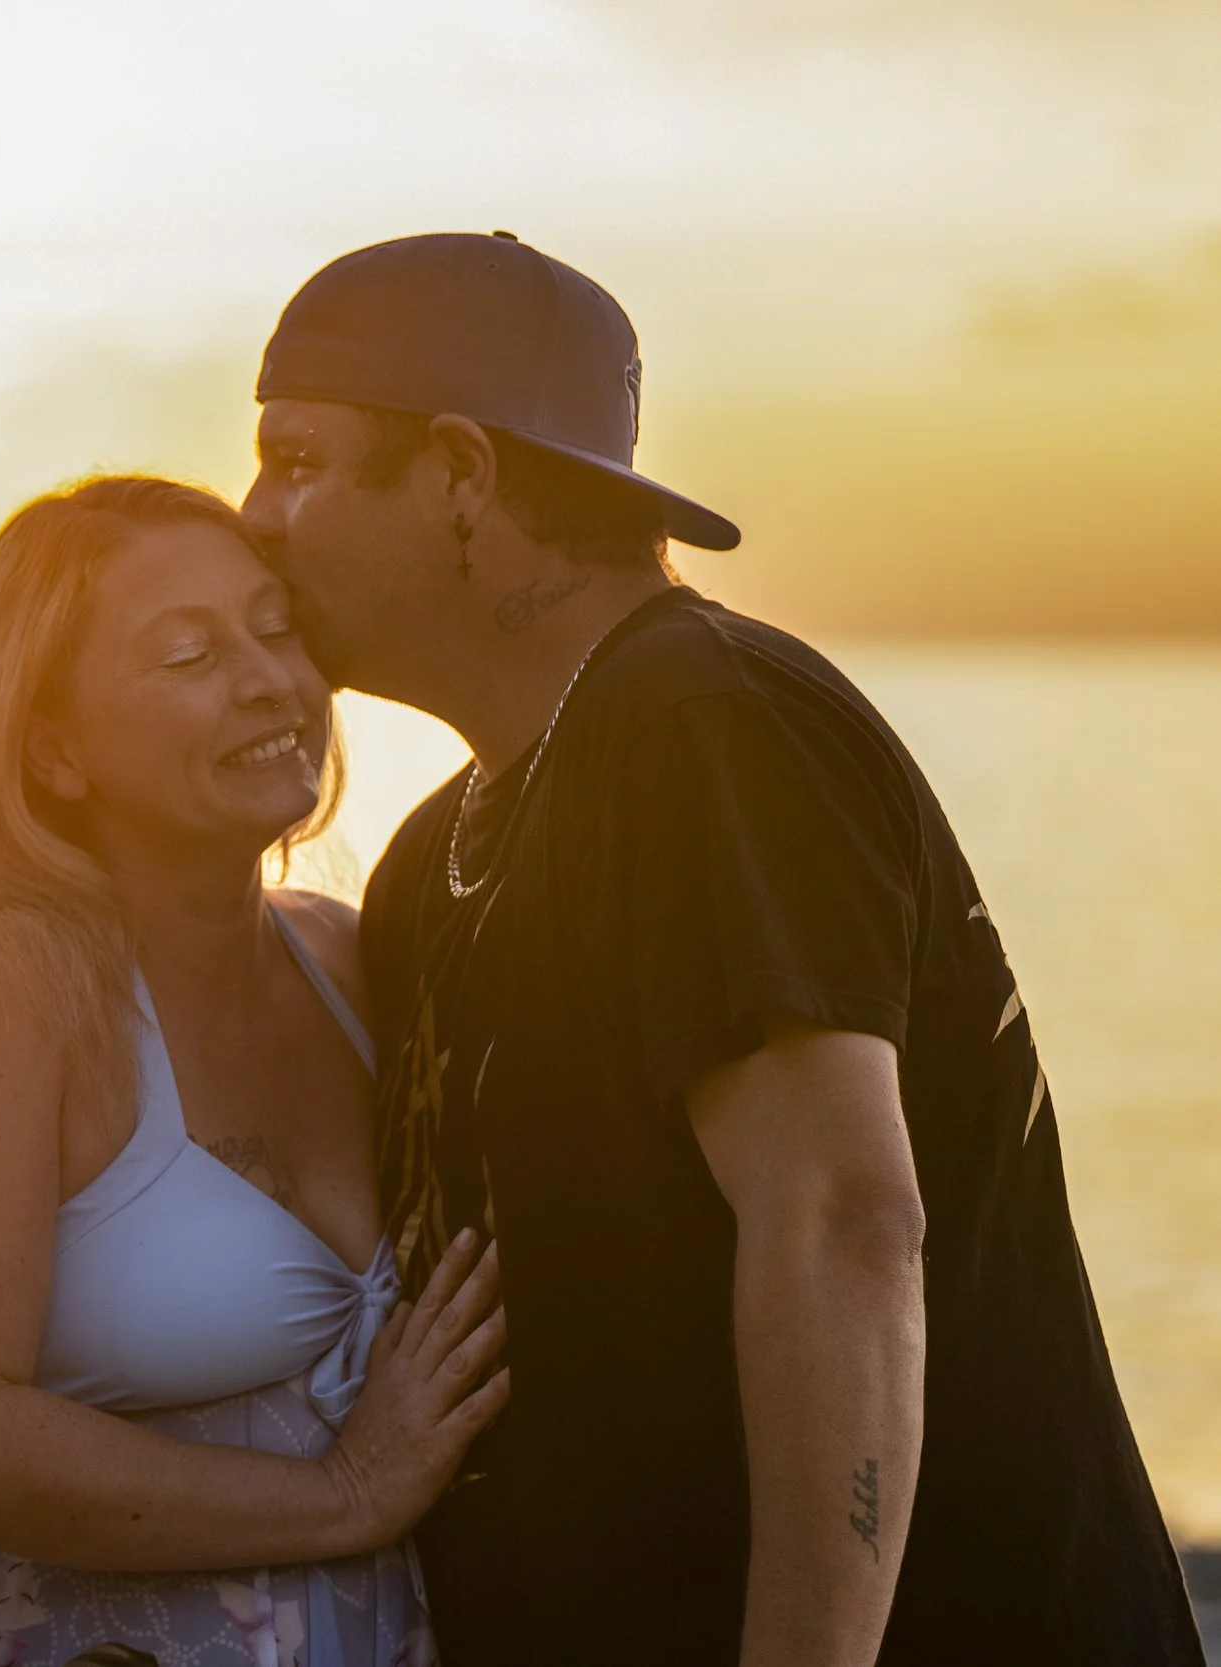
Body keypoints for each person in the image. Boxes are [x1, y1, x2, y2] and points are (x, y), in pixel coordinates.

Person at [240, 231, 1204, 1666]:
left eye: (297, 461)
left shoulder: (704, 726)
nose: (254, 515)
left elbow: (842, 1219)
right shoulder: (431, 861)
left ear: (459, 473)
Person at [0, 476, 508, 1666]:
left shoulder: (349, 960)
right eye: (189, 654)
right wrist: (346, 1492)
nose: (269, 679)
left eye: (275, 627)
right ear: (53, 748)